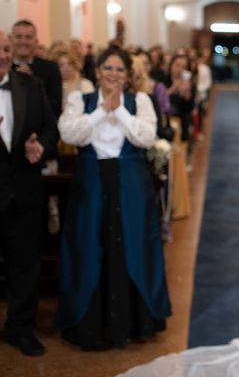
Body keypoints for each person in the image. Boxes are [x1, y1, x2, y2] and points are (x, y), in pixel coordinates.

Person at [56, 47, 171, 349]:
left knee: (132, 246)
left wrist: (118, 110)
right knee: (89, 248)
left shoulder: (140, 101)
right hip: (91, 185)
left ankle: (134, 322)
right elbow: (69, 134)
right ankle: (90, 324)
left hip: (131, 186)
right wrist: (100, 112)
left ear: (128, 75)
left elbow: (145, 137)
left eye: (120, 70)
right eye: (108, 68)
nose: (114, 75)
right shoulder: (79, 101)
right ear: (97, 71)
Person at [0, 31, 57, 356]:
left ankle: (21, 329)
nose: (4, 55)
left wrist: (42, 145)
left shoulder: (30, 85)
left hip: (23, 191)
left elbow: (51, 127)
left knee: (25, 266)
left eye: (7, 49)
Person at [11, 20, 63, 118]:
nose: (23, 41)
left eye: (28, 37)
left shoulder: (50, 68)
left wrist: (33, 81)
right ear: (11, 40)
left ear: (36, 41)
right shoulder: (4, 68)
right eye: (18, 37)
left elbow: (55, 107)